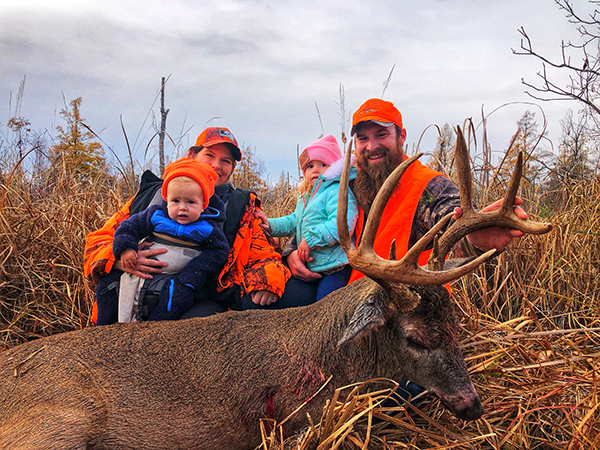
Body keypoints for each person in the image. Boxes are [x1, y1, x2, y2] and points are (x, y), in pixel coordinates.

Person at [285, 98, 529, 284]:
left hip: (405, 301)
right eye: (363, 139)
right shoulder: (344, 183)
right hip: (345, 288)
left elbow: (449, 218)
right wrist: (291, 253)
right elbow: (309, 220)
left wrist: (474, 239)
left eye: (381, 135)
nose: (372, 147)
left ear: (401, 136)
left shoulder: (429, 186)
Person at [84, 127, 298, 324]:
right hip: (131, 285)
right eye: (209, 155)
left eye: (226, 161)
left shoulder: (242, 208)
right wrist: (122, 258)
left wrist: (267, 281)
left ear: (232, 169)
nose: (216, 165)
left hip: (195, 295)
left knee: (197, 324)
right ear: (192, 156)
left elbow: (266, 255)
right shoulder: (151, 196)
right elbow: (97, 241)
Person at [95, 159, 230, 324]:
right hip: (141, 267)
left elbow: (219, 251)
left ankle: (155, 330)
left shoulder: (208, 228)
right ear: (166, 199)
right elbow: (128, 227)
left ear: (203, 205)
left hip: (178, 276)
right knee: (106, 286)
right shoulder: (155, 215)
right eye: (175, 201)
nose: (182, 207)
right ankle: (103, 329)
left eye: (190, 202)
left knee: (179, 296)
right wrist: (126, 249)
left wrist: (194, 272)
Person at [258, 135, 359, 301]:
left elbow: (343, 225)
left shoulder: (337, 191)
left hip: (335, 267)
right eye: (310, 166)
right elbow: (293, 221)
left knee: (326, 308)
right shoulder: (306, 196)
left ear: (334, 167)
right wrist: (270, 225)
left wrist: (310, 239)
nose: (315, 170)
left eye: (322, 164)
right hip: (314, 266)